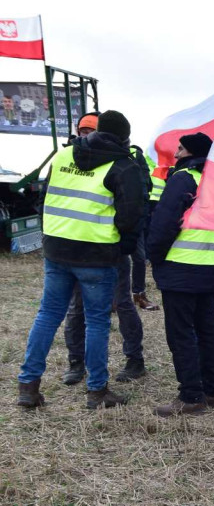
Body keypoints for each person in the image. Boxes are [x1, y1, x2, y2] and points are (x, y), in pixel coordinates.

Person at [16, 110, 144, 410]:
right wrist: (123, 247)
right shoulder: (123, 165)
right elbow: (132, 216)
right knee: (97, 322)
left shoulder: (63, 156)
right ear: (125, 137)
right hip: (97, 256)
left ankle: (28, 386)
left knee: (47, 315)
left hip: (57, 249)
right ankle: (97, 391)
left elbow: (45, 197)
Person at [60, 113, 147, 386]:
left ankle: (135, 360)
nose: (86, 135)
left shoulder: (127, 160)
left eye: (91, 130)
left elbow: (136, 202)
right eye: (83, 130)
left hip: (111, 247)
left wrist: (124, 244)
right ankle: (76, 363)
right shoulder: (70, 157)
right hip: (76, 246)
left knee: (122, 302)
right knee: (78, 308)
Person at [148, 133, 214, 416]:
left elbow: (164, 222)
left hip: (181, 267)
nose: (176, 152)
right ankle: (213, 391)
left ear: (190, 152)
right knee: (207, 331)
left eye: (180, 148)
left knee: (181, 334)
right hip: (212, 267)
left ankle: (191, 396)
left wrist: (154, 256)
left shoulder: (183, 178)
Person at [130, 148, 159, 311]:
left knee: (139, 258)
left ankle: (139, 295)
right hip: (112, 217)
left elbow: (146, 185)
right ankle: (112, 298)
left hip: (135, 217)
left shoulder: (135, 155)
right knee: (113, 260)